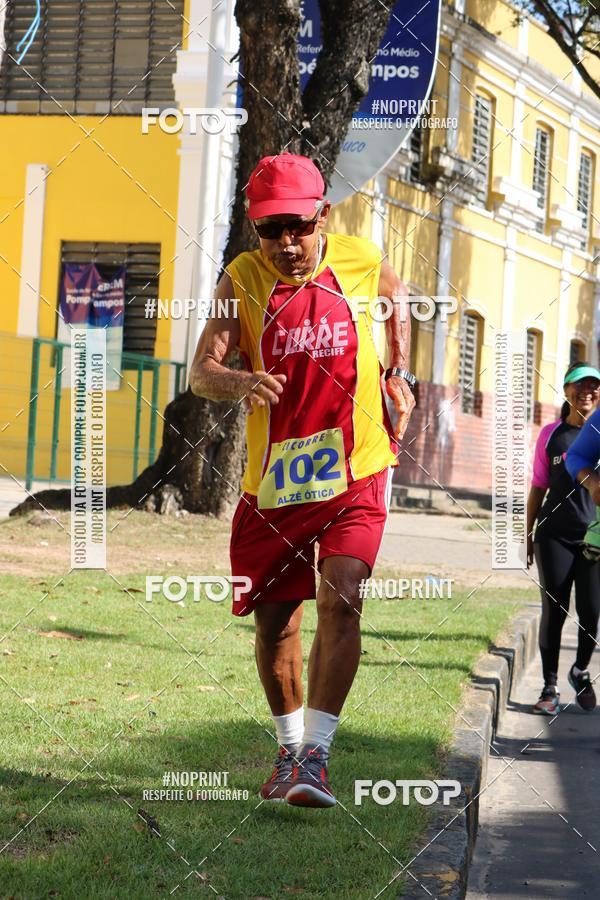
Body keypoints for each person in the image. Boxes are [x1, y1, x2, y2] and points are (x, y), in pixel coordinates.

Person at [190, 153, 415, 807]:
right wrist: (238, 380)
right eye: (270, 230)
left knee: (342, 596)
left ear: (324, 215)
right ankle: (289, 754)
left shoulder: (363, 262)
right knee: (274, 625)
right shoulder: (242, 279)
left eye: (298, 226)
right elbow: (202, 372)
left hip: (357, 469)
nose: (286, 243)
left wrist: (400, 372)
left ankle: (315, 757)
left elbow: (399, 306)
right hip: (277, 486)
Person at [526, 361, 600, 715]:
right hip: (553, 536)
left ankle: (580, 670)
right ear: (567, 391)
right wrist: (527, 533)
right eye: (579, 385)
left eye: (594, 385)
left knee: (592, 611)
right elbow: (538, 486)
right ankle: (549, 687)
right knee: (554, 610)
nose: (587, 391)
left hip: (594, 539)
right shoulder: (551, 435)